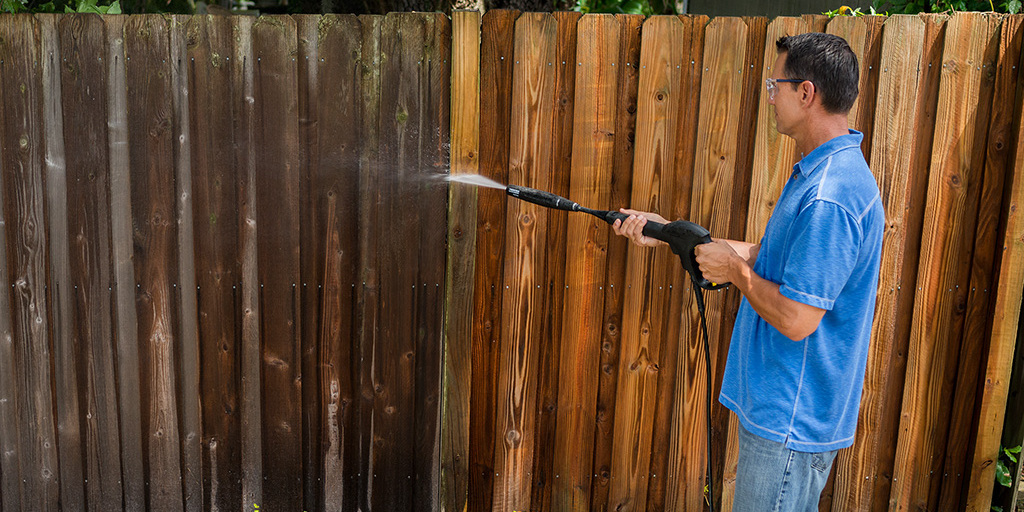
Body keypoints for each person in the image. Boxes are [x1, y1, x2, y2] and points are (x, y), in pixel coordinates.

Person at [612, 32, 884, 511]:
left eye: (774, 85)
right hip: (788, 416)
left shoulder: (830, 196)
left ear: (807, 93)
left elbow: (798, 319)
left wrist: (734, 270)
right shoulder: (825, 173)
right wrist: (669, 232)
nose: (771, 96)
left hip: (791, 421)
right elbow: (773, 257)